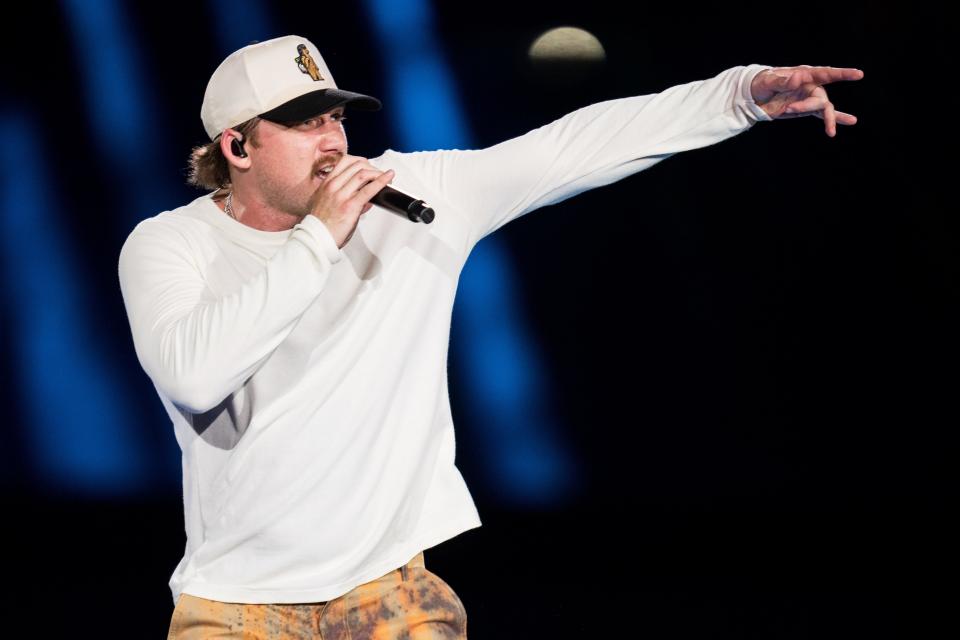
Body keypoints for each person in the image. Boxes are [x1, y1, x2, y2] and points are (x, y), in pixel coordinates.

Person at [117, 34, 862, 639]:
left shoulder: (412, 195)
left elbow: (573, 147)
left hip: (391, 593)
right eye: (304, 122)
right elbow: (192, 375)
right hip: (238, 607)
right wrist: (319, 238)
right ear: (238, 148)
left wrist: (741, 96)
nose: (334, 141)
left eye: (335, 117)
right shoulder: (167, 247)